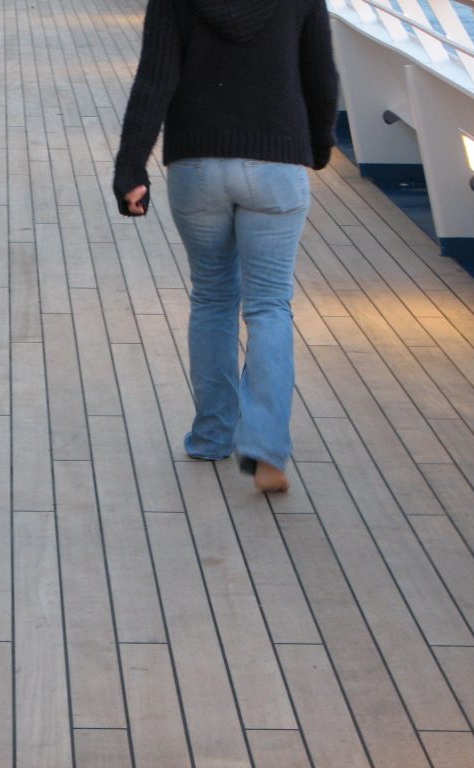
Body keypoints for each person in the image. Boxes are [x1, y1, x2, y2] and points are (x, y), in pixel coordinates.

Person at [113, 0, 338, 492]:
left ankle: (212, 436)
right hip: (278, 162)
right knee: (269, 305)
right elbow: (321, 80)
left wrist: (131, 168)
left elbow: (155, 80)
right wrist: (317, 147)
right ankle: (265, 449)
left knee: (214, 295)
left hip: (197, 165)